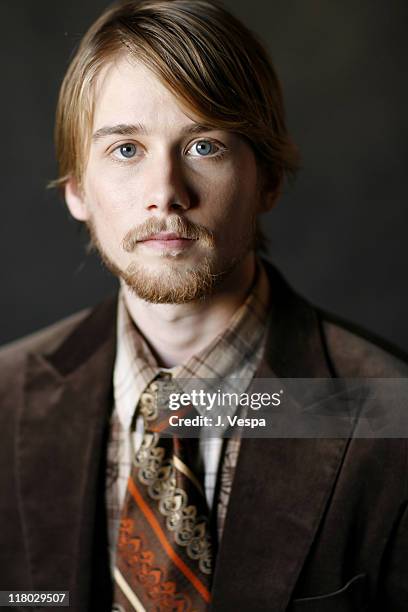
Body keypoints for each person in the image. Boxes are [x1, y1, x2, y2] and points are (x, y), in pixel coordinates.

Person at [0, 0, 407, 610]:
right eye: (127, 150)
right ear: (77, 188)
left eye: (204, 146)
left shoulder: (389, 417)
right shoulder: (5, 400)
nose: (166, 194)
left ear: (268, 179)